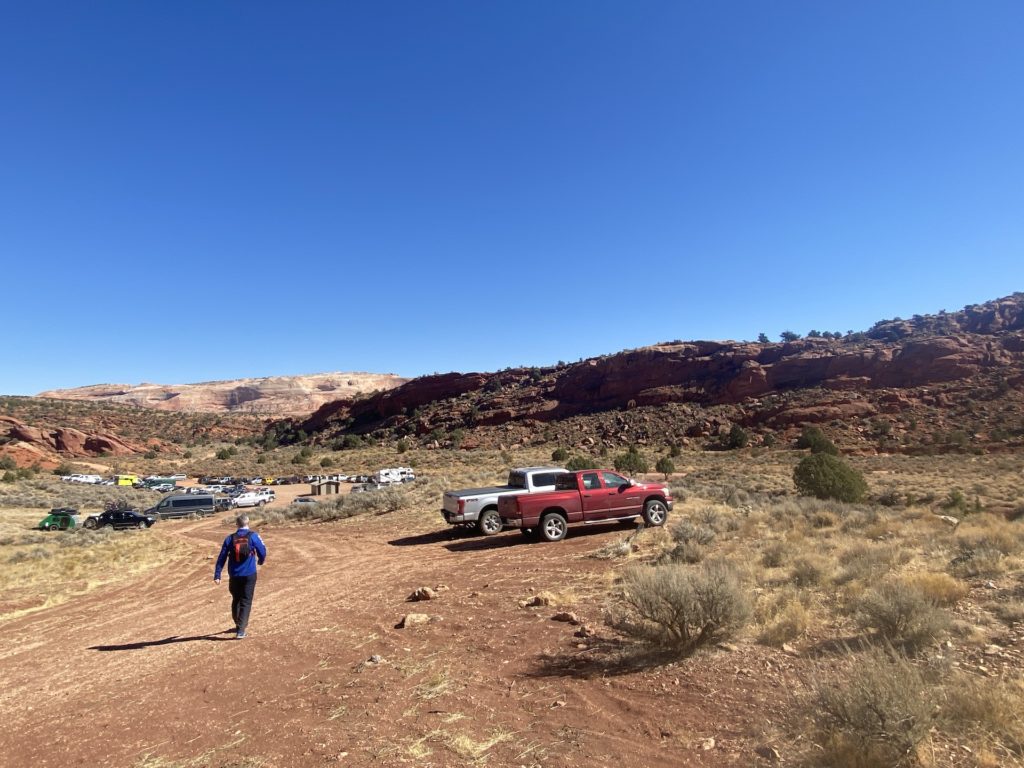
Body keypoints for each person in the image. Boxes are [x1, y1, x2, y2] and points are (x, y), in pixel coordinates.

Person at [214, 514, 267, 639]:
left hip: (234, 575)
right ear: (248, 522)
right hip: (249, 573)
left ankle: (239, 624)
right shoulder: (253, 536)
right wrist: (260, 561)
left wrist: (217, 574)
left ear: (236, 524)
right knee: (246, 601)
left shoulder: (229, 538)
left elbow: (221, 557)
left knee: (236, 599)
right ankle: (241, 630)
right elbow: (263, 551)